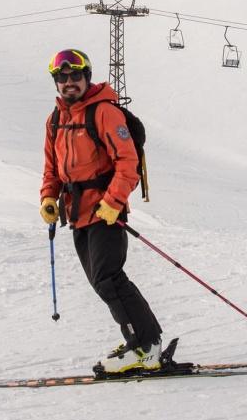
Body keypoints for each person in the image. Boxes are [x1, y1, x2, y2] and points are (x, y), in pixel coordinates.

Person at [39, 48, 163, 374]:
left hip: (106, 210)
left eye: (75, 76)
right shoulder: (55, 121)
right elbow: (51, 170)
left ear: (86, 77)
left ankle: (146, 347)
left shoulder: (104, 112)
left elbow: (128, 163)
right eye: (62, 78)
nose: (69, 82)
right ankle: (144, 342)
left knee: (109, 278)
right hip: (77, 213)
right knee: (102, 282)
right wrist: (48, 199)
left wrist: (113, 201)